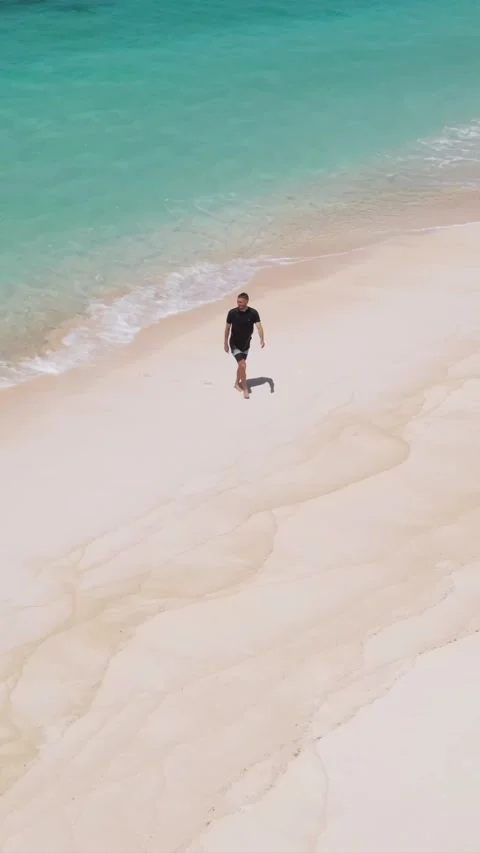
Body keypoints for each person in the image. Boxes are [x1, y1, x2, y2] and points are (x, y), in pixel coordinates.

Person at [224, 292, 264, 398]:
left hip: (246, 344)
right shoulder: (232, 313)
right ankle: (245, 388)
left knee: (241, 366)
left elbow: (259, 327)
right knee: (242, 365)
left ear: (247, 302)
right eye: (237, 301)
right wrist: (225, 343)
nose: (238, 303)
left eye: (241, 302)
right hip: (234, 344)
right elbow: (227, 328)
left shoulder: (253, 313)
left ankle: (236, 383)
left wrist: (262, 338)